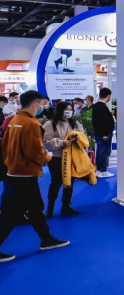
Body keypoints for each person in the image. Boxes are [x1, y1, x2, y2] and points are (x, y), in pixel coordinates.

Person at [0, 90, 70, 262]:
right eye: (42, 104)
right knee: (14, 213)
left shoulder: (14, 120)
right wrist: (47, 157)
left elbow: (4, 146)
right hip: (25, 173)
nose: (44, 107)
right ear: (35, 104)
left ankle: (46, 238)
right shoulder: (31, 123)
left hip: (16, 171)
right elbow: (34, 152)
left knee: (35, 207)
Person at [43, 101, 85, 217]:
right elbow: (45, 141)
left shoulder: (74, 123)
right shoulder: (50, 123)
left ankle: (66, 206)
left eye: (71, 110)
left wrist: (77, 140)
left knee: (69, 182)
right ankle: (50, 208)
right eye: (67, 110)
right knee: (56, 182)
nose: (69, 112)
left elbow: (82, 136)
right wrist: (62, 142)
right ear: (60, 110)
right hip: (56, 158)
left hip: (71, 157)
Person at [91, 88, 115, 178]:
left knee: (100, 151)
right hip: (103, 134)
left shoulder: (96, 106)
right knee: (104, 152)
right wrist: (106, 133)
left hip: (99, 133)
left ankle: (99, 170)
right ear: (108, 96)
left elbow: (99, 120)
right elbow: (104, 121)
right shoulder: (102, 106)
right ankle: (103, 170)